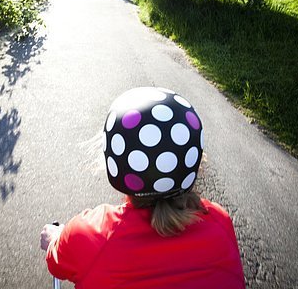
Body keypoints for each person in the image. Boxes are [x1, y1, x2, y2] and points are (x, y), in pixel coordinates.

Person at [40, 87, 245, 288]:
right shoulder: (220, 221)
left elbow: (57, 266)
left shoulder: (89, 234)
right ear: (193, 159)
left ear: (116, 161)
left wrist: (56, 238)